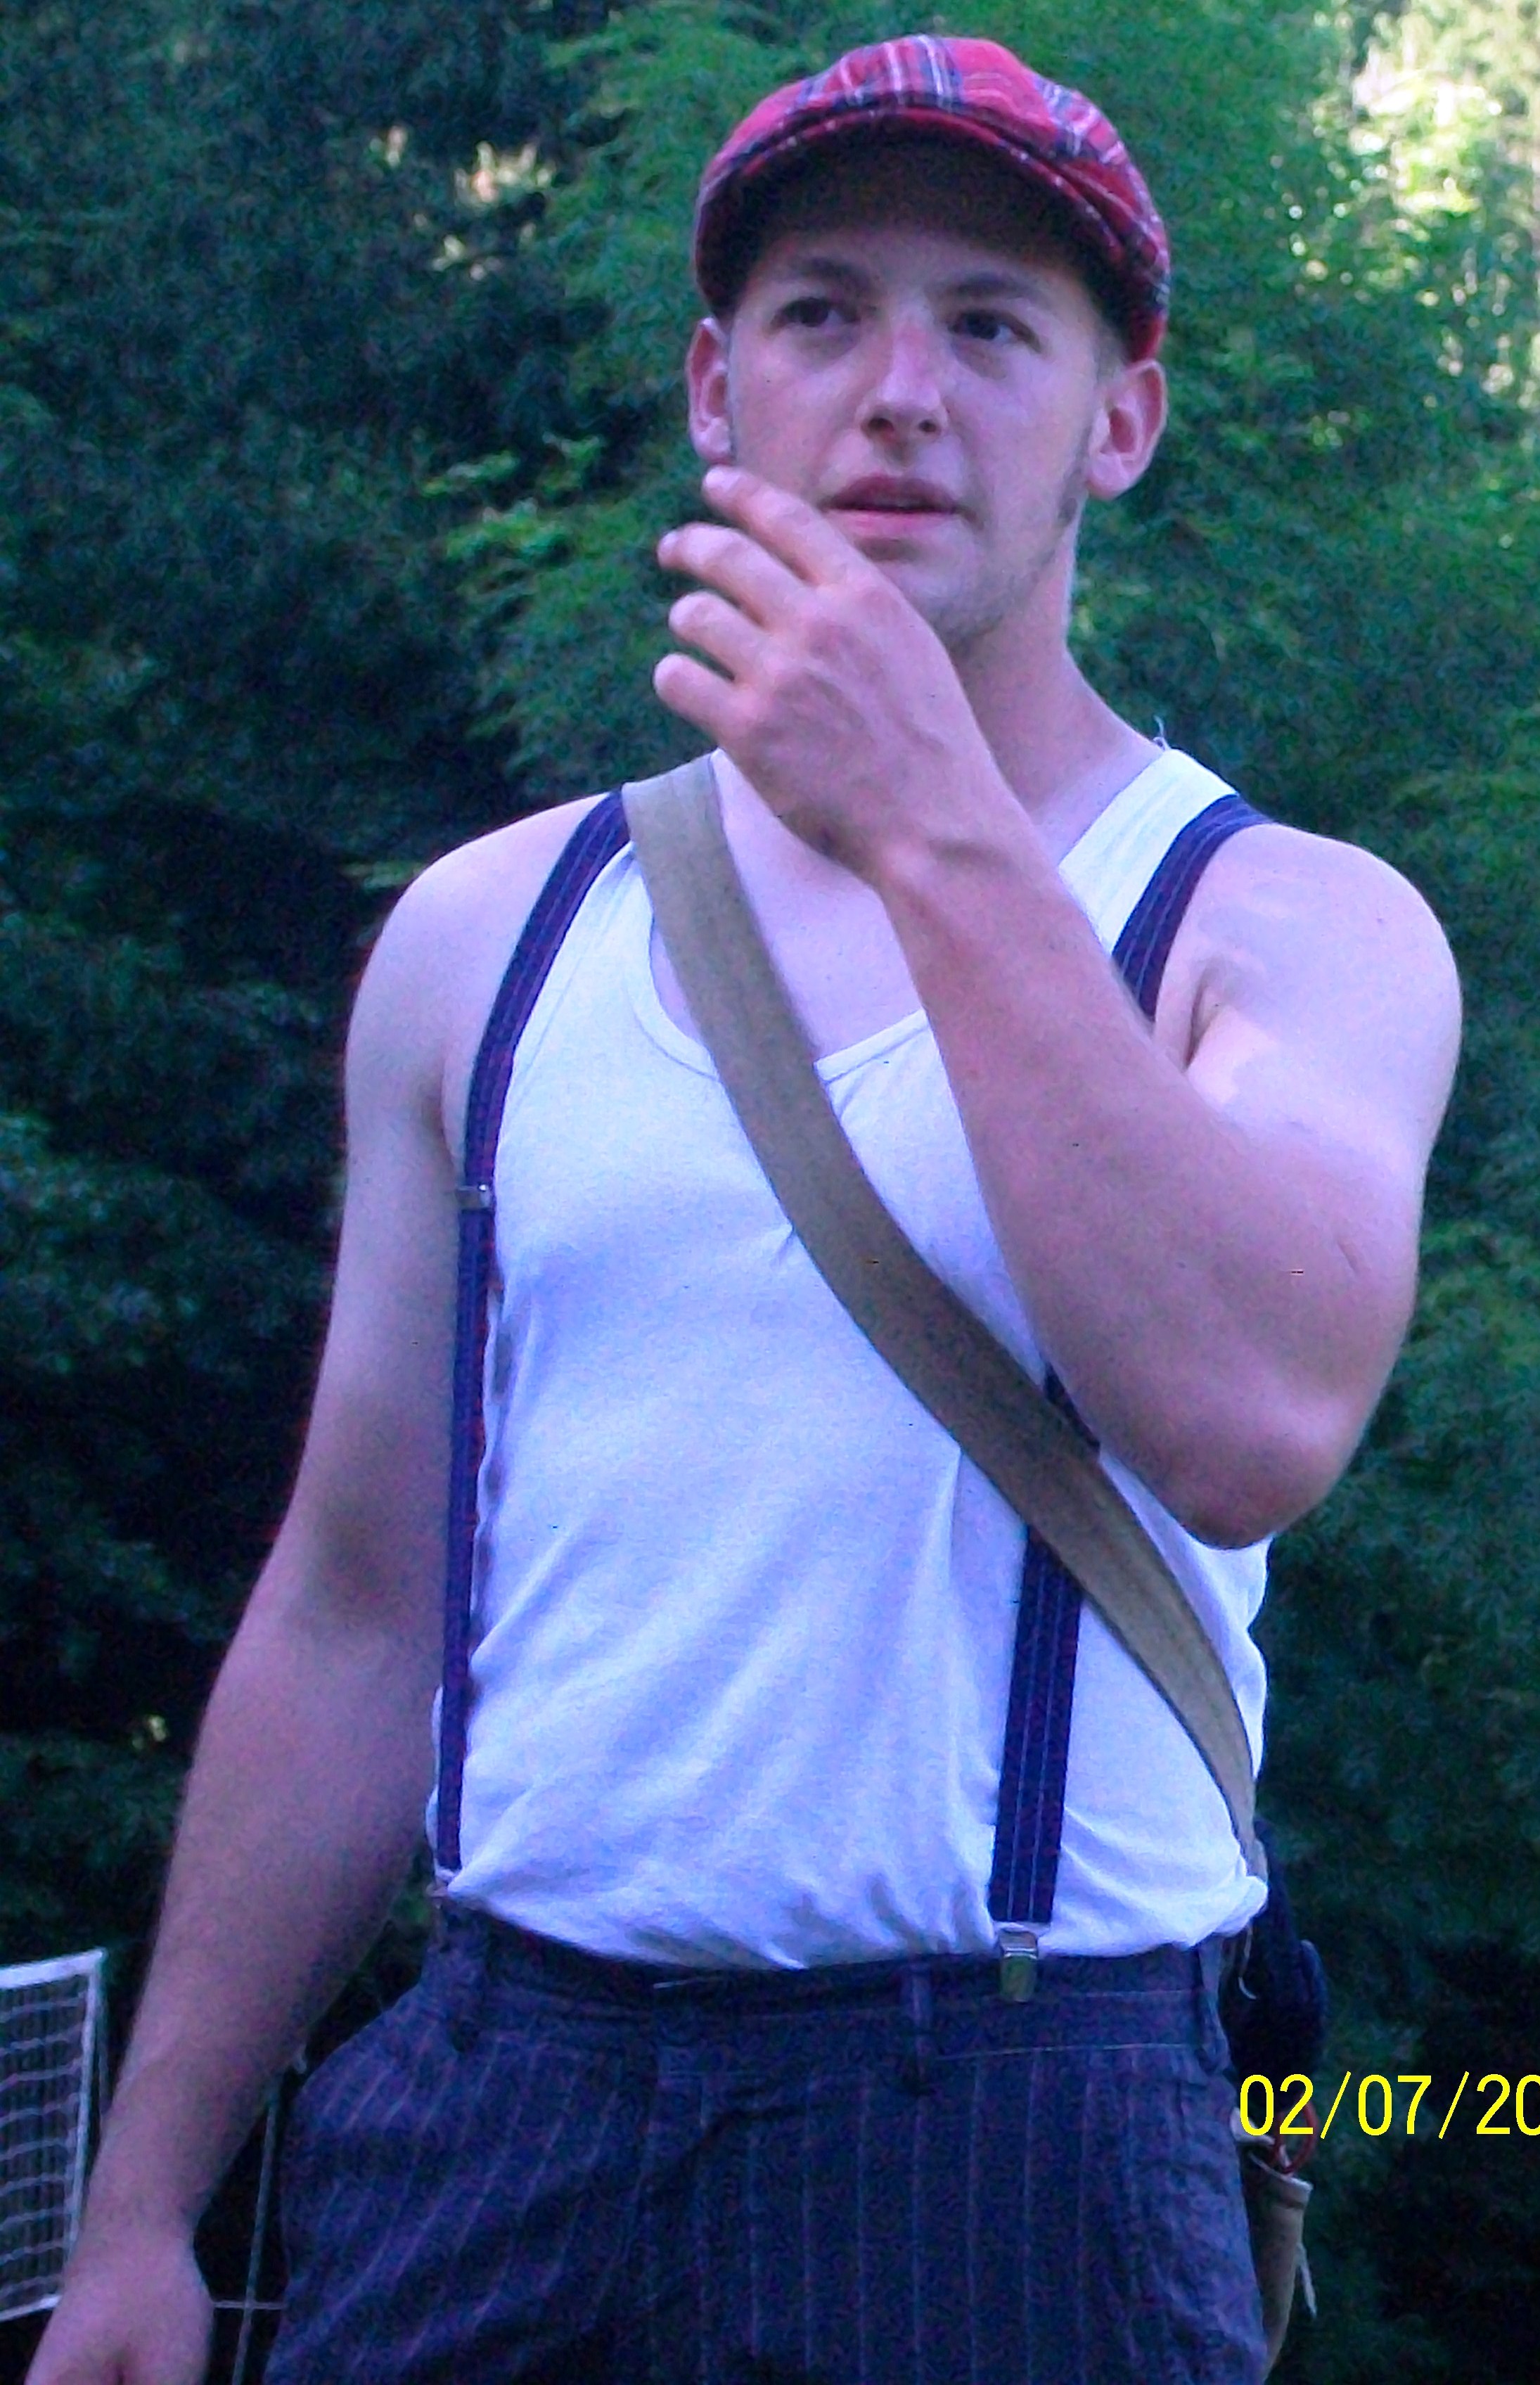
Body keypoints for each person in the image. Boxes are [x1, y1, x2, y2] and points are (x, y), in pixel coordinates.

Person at [30, 33, 1460, 2385]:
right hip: (499, 2115)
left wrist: (932, 823)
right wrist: (142, 2210)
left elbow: (1245, 1421)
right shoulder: (487, 937)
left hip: (1018, 2134)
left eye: (991, 325)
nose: (901, 393)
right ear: (718, 388)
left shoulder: (1282, 925)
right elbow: (362, 1599)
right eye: (823, 313)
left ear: (1119, 419)